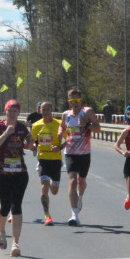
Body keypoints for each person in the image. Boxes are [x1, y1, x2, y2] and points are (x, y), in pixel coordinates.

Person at [0, 100, 33, 256]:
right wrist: (6, 133)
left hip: (20, 174)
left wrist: (32, 145)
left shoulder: (21, 127)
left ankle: (16, 243)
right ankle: (1, 230)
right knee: (5, 206)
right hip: (2, 174)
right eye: (10, 110)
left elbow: (29, 139)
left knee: (16, 206)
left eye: (16, 111)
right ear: (5, 111)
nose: (13, 113)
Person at [57, 88, 100, 226]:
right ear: (69, 101)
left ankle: (80, 197)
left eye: (78, 100)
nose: (75, 103)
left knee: (81, 182)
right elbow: (62, 127)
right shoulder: (66, 114)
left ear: (81, 100)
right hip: (70, 152)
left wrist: (87, 125)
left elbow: (98, 128)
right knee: (72, 181)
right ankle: (74, 215)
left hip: (84, 153)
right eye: (72, 100)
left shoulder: (87, 112)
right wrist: (59, 134)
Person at [29, 101, 63, 225]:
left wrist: (60, 147)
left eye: (48, 109)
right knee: (44, 187)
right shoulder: (36, 125)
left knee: (54, 190)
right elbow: (32, 141)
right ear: (40, 111)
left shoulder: (59, 124)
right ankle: (47, 216)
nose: (46, 111)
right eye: (43, 109)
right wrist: (32, 145)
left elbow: (69, 140)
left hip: (56, 161)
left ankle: (54, 185)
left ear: (51, 110)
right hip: (43, 160)